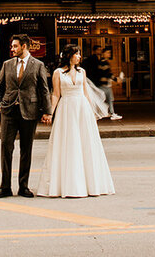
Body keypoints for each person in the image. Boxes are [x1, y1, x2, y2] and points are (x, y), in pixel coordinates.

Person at [35, 44, 116, 198]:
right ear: (69, 55)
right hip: (66, 109)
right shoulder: (58, 73)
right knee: (68, 143)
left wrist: (91, 112)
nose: (79, 57)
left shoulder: (82, 72)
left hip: (82, 109)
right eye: (77, 54)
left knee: (86, 144)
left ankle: (90, 184)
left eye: (79, 54)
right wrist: (50, 113)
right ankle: (68, 184)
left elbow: (85, 93)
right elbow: (56, 95)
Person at [0, 34, 52, 198]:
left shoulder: (38, 65)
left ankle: (23, 186)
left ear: (24, 46)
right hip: (9, 111)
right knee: (6, 147)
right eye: (12, 46)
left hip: (29, 112)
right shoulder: (7, 64)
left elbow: (44, 89)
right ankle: (5, 187)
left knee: (26, 149)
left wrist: (47, 111)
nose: (12, 49)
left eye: (15, 46)